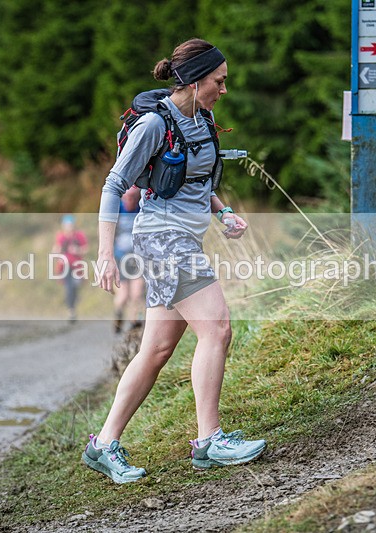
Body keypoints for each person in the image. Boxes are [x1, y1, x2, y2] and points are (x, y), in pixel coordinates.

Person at [83, 38, 265, 484]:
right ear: (196, 79)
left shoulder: (204, 118)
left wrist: (221, 213)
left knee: (156, 349)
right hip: (162, 240)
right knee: (217, 327)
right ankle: (209, 441)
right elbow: (113, 186)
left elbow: (198, 177)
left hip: (185, 238)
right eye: (218, 81)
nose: (224, 89)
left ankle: (103, 444)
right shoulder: (151, 125)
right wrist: (106, 254)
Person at [112, 185, 145, 334]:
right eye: (127, 197)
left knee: (137, 293)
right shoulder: (117, 208)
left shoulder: (141, 207)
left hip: (138, 256)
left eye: (133, 197)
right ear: (123, 197)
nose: (130, 201)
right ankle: (118, 315)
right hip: (120, 256)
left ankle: (134, 322)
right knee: (123, 295)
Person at [52, 214, 88, 323]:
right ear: (63, 226)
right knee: (68, 288)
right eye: (66, 225)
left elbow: (85, 249)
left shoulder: (79, 235)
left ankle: (73, 304)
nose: (69, 227)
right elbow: (55, 249)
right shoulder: (61, 236)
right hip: (64, 267)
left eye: (70, 225)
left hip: (77, 266)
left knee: (75, 286)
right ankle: (71, 311)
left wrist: (77, 250)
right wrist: (57, 252)